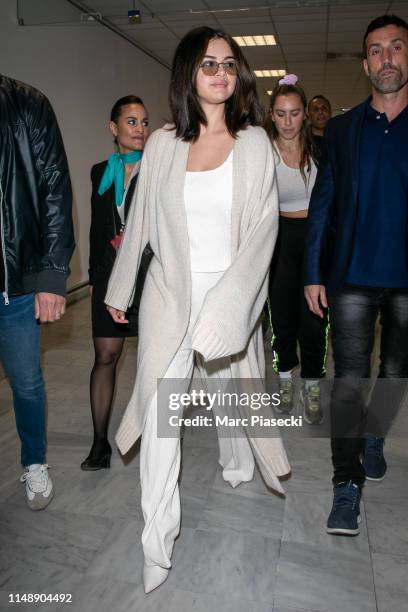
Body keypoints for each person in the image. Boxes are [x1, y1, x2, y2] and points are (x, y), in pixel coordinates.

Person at [105, 26, 290, 593]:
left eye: (230, 65)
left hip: (229, 291)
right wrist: (119, 289)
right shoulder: (162, 143)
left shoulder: (255, 143)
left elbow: (264, 230)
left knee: (229, 389)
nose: (221, 74)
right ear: (188, 72)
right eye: (209, 64)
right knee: (164, 423)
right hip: (169, 295)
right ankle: (155, 542)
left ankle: (237, 461)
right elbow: (140, 223)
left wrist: (233, 301)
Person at [304, 14, 408, 536]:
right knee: (347, 383)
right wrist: (312, 271)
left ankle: (374, 439)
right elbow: (322, 205)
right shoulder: (343, 131)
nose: (386, 58)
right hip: (351, 279)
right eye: (375, 50)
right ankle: (346, 485)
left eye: (395, 47)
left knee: (393, 373)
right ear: (366, 62)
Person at [0, 74, 74, 509]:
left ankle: (34, 463)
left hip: (17, 285)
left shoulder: (26, 104)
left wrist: (50, 275)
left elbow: (54, 190)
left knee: (26, 383)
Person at [81, 96, 152, 471]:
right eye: (131, 122)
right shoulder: (99, 173)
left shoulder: (158, 170)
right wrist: (95, 277)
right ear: (114, 129)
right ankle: (99, 444)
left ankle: (158, 445)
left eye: (144, 122)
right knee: (106, 356)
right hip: (110, 278)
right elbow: (97, 229)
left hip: (150, 278)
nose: (140, 129)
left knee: (155, 362)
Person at [265, 75, 328, 424]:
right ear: (272, 115)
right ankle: (286, 379)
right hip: (280, 240)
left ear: (304, 114)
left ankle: (312, 385)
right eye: (280, 114)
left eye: (294, 113)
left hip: (317, 239)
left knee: (315, 318)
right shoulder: (263, 153)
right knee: (284, 317)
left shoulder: (320, 149)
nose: (287, 122)